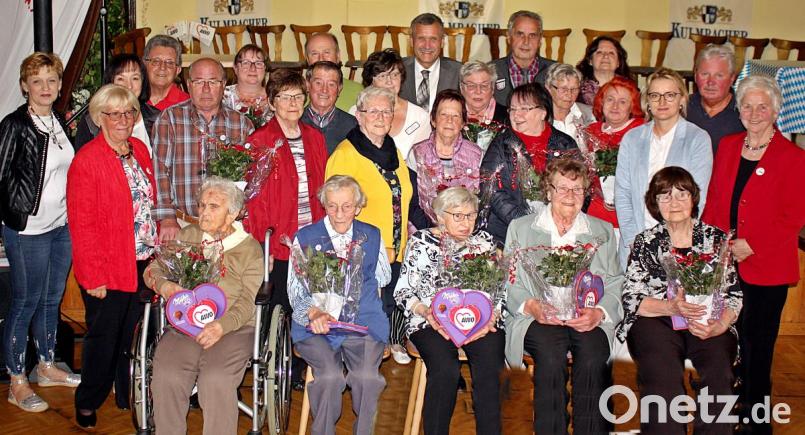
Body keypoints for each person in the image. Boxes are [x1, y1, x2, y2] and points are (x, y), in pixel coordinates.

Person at [701, 75, 805, 434]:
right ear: (738, 109)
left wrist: (752, 242)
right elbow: (715, 201)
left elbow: (795, 215)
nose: (754, 113)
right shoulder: (728, 146)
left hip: (767, 265)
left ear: (776, 110)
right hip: (725, 262)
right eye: (747, 105)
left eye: (763, 106)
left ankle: (756, 417)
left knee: (758, 344)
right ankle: (723, 409)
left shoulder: (793, 157)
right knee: (725, 338)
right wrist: (714, 245)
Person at [618, 166, 742, 435]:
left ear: (694, 198)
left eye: (681, 194)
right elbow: (631, 298)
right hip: (657, 320)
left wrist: (719, 325)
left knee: (719, 374)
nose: (674, 203)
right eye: (665, 196)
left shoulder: (716, 239)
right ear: (655, 203)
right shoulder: (646, 241)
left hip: (708, 320)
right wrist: (670, 306)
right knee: (663, 380)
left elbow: (733, 296)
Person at [504, 158, 623, 434]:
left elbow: (615, 281)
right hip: (538, 317)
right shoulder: (520, 228)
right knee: (550, 353)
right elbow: (509, 281)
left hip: (586, 316)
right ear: (548, 191)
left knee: (594, 355)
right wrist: (532, 306)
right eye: (562, 189)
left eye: (577, 189)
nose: (570, 196)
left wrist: (599, 312)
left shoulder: (601, 231)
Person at [67, 84, 156, 427]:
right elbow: (82, 223)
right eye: (114, 113)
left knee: (132, 335)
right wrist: (92, 277)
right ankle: (88, 400)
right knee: (104, 339)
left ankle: (124, 393)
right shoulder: (87, 161)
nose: (123, 120)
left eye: (129, 112)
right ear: (99, 117)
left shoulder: (139, 151)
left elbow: (148, 203)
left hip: (143, 262)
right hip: (108, 267)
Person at [146, 177, 263, 435]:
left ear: (232, 214)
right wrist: (165, 286)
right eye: (201, 205)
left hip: (234, 328)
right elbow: (153, 269)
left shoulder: (250, 249)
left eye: (213, 207)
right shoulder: (189, 236)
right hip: (187, 325)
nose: (203, 212)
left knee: (216, 380)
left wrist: (222, 325)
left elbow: (248, 302)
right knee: (167, 374)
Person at [0, 52, 78, 413]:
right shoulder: (14, 124)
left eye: (51, 80)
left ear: (60, 84)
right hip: (27, 229)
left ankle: (46, 366)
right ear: (24, 86)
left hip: (60, 227)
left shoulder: (59, 122)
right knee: (24, 302)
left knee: (51, 299)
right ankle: (17, 380)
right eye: (37, 81)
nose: (45, 88)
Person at [327, 86, 428, 365]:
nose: (381, 116)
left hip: (396, 251)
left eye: (387, 110)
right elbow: (335, 211)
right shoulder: (346, 154)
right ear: (359, 116)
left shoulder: (392, 150)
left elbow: (406, 199)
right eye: (374, 111)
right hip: (364, 256)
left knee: (383, 319)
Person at [395, 186, 505, 435]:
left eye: (471, 215)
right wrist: (428, 313)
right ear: (440, 216)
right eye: (458, 215)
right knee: (445, 369)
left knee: (491, 365)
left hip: (478, 322)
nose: (466, 223)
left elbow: (500, 288)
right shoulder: (421, 242)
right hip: (431, 323)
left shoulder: (484, 242)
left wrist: (492, 317)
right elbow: (403, 292)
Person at [288, 175, 391, 435]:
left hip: (362, 324)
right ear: (324, 205)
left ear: (358, 207)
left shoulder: (371, 235)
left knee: (367, 379)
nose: (339, 213)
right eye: (332, 206)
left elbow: (383, 278)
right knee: (330, 378)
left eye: (347, 206)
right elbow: (294, 291)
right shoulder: (305, 237)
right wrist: (314, 312)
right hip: (317, 327)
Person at [243, 68, 327, 315]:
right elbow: (253, 201)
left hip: (312, 239)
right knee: (282, 308)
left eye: (298, 96)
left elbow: (323, 186)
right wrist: (262, 246)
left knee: (312, 310)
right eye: (285, 96)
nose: (293, 103)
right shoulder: (260, 141)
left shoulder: (315, 137)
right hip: (279, 241)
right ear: (271, 101)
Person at [614, 67, 712, 269]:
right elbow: (622, 192)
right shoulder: (632, 138)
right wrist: (636, 240)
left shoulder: (698, 138)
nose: (662, 101)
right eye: (655, 95)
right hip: (635, 243)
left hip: (678, 245)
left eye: (670, 95)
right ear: (646, 102)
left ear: (682, 100)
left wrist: (671, 243)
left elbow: (696, 197)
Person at [151, 57, 253, 242]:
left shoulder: (242, 124)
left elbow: (251, 176)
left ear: (223, 85)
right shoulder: (170, 119)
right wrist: (167, 218)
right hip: (182, 225)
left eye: (213, 81)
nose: (206, 89)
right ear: (188, 85)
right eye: (199, 82)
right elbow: (160, 171)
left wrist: (243, 206)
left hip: (228, 228)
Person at [480, 82, 578, 246]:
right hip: (509, 232)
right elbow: (491, 191)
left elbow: (581, 186)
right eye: (512, 109)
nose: (516, 115)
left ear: (543, 112)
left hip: (559, 230)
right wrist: (526, 222)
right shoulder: (500, 144)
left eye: (524, 109)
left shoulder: (564, 143)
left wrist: (559, 217)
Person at [408, 89, 483, 224]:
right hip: (426, 229)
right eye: (443, 114)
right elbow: (411, 202)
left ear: (463, 123)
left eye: (456, 116)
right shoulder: (417, 153)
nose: (449, 120)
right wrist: (431, 230)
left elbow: (482, 199)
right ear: (433, 120)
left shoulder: (477, 155)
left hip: (466, 229)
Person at [583, 76, 645, 228]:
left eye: (623, 102)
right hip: (597, 209)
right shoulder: (590, 131)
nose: (615, 106)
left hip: (630, 210)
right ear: (602, 102)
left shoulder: (641, 131)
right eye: (610, 99)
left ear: (632, 107)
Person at [74, 53, 161, 154]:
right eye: (121, 79)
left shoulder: (157, 118)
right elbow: (83, 160)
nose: (129, 86)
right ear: (111, 82)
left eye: (135, 78)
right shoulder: (92, 121)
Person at [355, 49, 432, 159]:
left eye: (395, 75)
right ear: (371, 81)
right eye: (382, 76)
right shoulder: (357, 112)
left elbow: (424, 160)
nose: (390, 82)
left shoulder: (420, 117)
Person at [686, 44, 745, 154]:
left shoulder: (746, 113)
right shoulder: (681, 107)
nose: (710, 82)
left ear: (732, 78)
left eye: (719, 75)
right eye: (705, 74)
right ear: (695, 76)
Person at [399, 13, 462, 112]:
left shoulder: (459, 72)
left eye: (433, 39)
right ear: (411, 41)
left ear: (442, 42)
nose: (427, 46)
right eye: (421, 38)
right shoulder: (396, 70)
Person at [492, 10, 555, 106]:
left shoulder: (556, 72)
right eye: (520, 34)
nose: (526, 42)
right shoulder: (490, 71)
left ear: (540, 40)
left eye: (532, 35)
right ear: (509, 37)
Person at [301, 60, 358, 154]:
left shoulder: (353, 126)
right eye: (318, 83)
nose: (324, 90)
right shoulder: (294, 122)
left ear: (339, 89)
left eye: (331, 84)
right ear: (307, 85)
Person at [304, 32, 363, 112]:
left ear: (338, 56)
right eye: (314, 54)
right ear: (307, 59)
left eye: (326, 52)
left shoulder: (358, 92)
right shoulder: (295, 93)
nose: (321, 58)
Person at [459, 60, 509, 152]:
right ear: (462, 88)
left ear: (493, 88)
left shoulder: (508, 117)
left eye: (484, 86)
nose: (478, 91)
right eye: (471, 86)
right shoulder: (453, 116)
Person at [545, 63, 595, 149]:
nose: (569, 94)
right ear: (549, 88)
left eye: (574, 89)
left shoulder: (589, 114)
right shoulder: (540, 117)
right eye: (563, 89)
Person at [223, 44, 272, 127]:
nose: (253, 68)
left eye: (258, 63)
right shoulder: (222, 97)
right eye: (246, 63)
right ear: (235, 68)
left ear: (265, 69)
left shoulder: (275, 97)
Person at [575, 36, 632, 106]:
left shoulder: (630, 90)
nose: (606, 56)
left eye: (611, 53)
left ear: (618, 62)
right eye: (599, 52)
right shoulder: (576, 90)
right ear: (590, 60)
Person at [143, 34, 190, 110]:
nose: (162, 67)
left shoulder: (187, 105)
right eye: (156, 61)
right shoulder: (132, 99)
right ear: (144, 65)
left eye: (169, 63)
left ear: (178, 70)